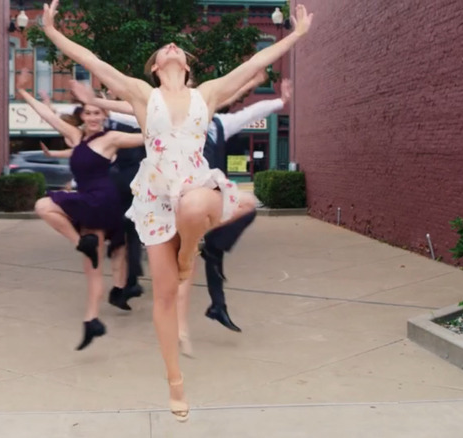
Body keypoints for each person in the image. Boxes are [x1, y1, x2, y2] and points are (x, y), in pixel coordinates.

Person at [40, 0, 314, 421]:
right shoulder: (141, 95)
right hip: (155, 199)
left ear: (187, 67)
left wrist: (295, 35)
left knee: (195, 204)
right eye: (165, 49)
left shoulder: (208, 94)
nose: (171, 46)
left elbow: (255, 62)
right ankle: (174, 380)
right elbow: (92, 60)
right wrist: (53, 33)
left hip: (195, 188)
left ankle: (189, 255)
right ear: (155, 68)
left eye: (178, 49)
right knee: (165, 296)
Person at [72, 77, 294, 345]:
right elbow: (133, 113)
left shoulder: (221, 125)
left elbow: (250, 112)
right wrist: (96, 102)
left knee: (235, 221)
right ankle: (182, 323)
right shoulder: (164, 119)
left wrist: (279, 101)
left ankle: (214, 296)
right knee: (179, 264)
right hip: (172, 201)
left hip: (204, 201)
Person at [16, 69, 144, 350]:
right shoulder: (75, 137)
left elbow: (151, 132)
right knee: (92, 268)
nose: (94, 117)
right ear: (82, 116)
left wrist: (126, 101)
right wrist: (24, 92)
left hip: (103, 202)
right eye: (89, 113)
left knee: (43, 204)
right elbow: (47, 116)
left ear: (104, 116)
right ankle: (92, 321)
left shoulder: (112, 138)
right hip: (86, 201)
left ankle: (82, 245)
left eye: (98, 113)